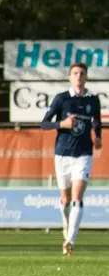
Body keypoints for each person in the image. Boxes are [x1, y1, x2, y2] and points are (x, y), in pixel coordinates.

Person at [41, 62, 102, 256]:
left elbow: (97, 120)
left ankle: (70, 241)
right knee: (65, 200)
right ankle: (66, 224)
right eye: (75, 73)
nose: (78, 76)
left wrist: (97, 136)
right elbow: (44, 124)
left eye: (82, 73)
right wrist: (63, 123)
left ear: (86, 77)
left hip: (84, 154)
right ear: (69, 77)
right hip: (62, 155)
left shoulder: (93, 100)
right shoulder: (62, 99)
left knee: (77, 198)